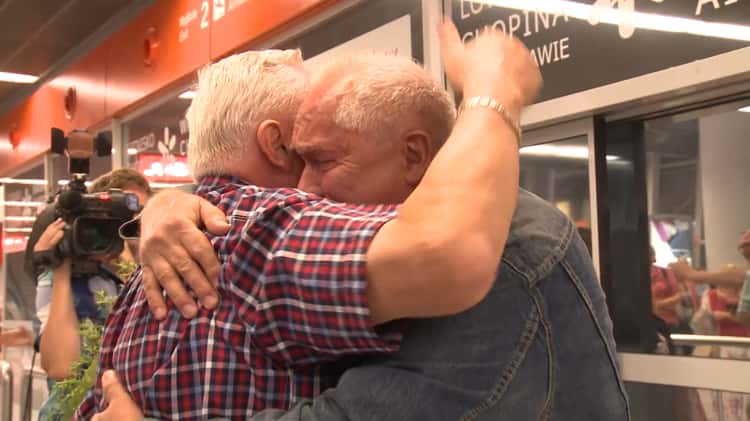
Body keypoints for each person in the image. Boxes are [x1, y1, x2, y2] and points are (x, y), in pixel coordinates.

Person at [87, 24, 628, 420]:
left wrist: (492, 96)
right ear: (274, 143)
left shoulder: (505, 242)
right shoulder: (233, 234)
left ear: (414, 156)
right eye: (300, 159)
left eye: (320, 160)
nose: (305, 189)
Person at [33, 168, 150, 420]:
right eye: (116, 223)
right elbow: (62, 367)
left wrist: (127, 269)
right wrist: (62, 268)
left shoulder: (153, 275)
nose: (127, 231)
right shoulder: (60, 278)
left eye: (136, 220)